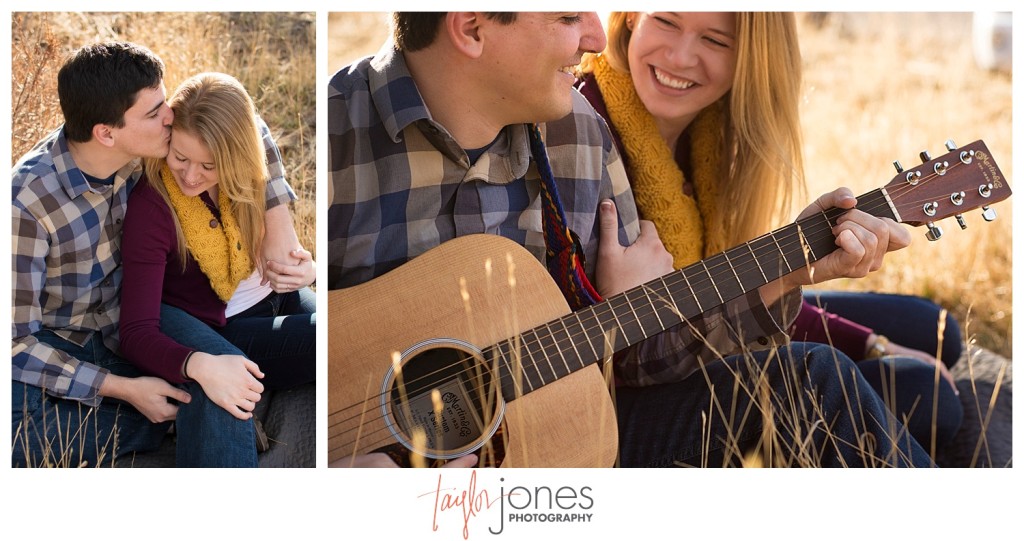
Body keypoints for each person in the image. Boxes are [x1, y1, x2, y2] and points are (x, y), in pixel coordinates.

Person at [327, 12, 933, 467]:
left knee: (815, 378)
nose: (595, 36)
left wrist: (795, 268)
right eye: (568, 17)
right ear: (472, 28)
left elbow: (649, 361)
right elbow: (254, 341)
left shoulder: (577, 138)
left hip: (565, 456)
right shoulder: (330, 139)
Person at [574, 11, 962, 449]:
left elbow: (727, 280)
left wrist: (871, 341)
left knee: (933, 327)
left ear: (751, 59)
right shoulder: (590, 133)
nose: (679, 56)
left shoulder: (713, 134)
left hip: (704, 317)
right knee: (925, 396)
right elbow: (650, 348)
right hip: (648, 366)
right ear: (629, 21)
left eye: (715, 41)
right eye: (664, 20)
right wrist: (868, 345)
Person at [11, 42, 306, 467]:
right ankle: (152, 424)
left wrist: (280, 229)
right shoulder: (26, 203)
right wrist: (122, 389)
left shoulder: (145, 149)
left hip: (142, 318)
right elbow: (15, 342)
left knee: (218, 377)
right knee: (18, 432)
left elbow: (244, 124)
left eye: (164, 103)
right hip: (70, 343)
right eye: (154, 113)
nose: (168, 116)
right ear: (106, 133)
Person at [117, 72, 316, 465]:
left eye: (209, 165)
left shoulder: (246, 176)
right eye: (181, 158)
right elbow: (136, 332)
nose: (191, 176)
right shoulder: (152, 206)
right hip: (229, 327)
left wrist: (307, 271)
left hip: (281, 296)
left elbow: (249, 121)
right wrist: (193, 362)